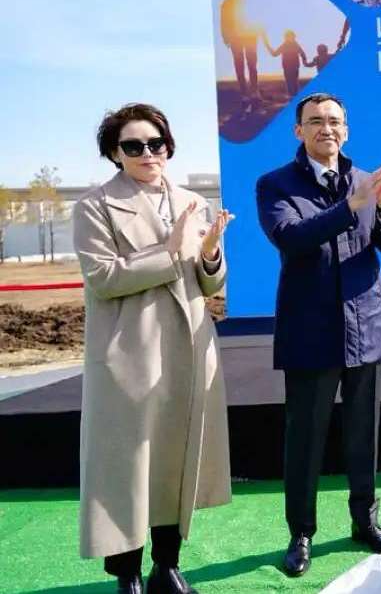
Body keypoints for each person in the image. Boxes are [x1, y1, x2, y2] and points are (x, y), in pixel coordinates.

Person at [75, 103, 235, 594]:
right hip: (128, 354)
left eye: (156, 143)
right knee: (126, 467)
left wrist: (210, 254)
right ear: (114, 153)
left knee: (174, 461)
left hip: (188, 347)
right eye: (134, 145)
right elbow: (103, 278)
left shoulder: (192, 201)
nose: (148, 153)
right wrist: (170, 250)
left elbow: (210, 281)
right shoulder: (95, 206)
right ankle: (126, 573)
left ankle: (167, 566)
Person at [255, 92, 381, 577]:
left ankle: (365, 520)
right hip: (311, 333)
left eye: (335, 121)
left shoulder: (366, 181)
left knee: (364, 435)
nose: (327, 128)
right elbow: (291, 238)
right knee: (306, 441)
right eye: (316, 121)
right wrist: (351, 206)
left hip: (366, 327)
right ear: (298, 131)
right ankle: (301, 533)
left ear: (346, 130)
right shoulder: (275, 184)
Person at [219, 0, 261, 108]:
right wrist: (226, 37)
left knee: (251, 65)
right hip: (236, 38)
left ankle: (254, 92)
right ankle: (245, 94)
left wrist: (257, 32)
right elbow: (223, 21)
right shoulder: (227, 3)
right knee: (240, 66)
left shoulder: (248, 1)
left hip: (249, 36)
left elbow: (256, 17)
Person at [264, 30, 310, 98]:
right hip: (290, 67)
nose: (292, 38)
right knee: (292, 83)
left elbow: (274, 54)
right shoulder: (291, 45)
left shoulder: (290, 45)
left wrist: (268, 47)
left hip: (292, 67)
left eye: (292, 37)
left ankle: (293, 97)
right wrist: (304, 62)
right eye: (291, 37)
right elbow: (302, 54)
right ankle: (293, 97)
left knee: (292, 83)